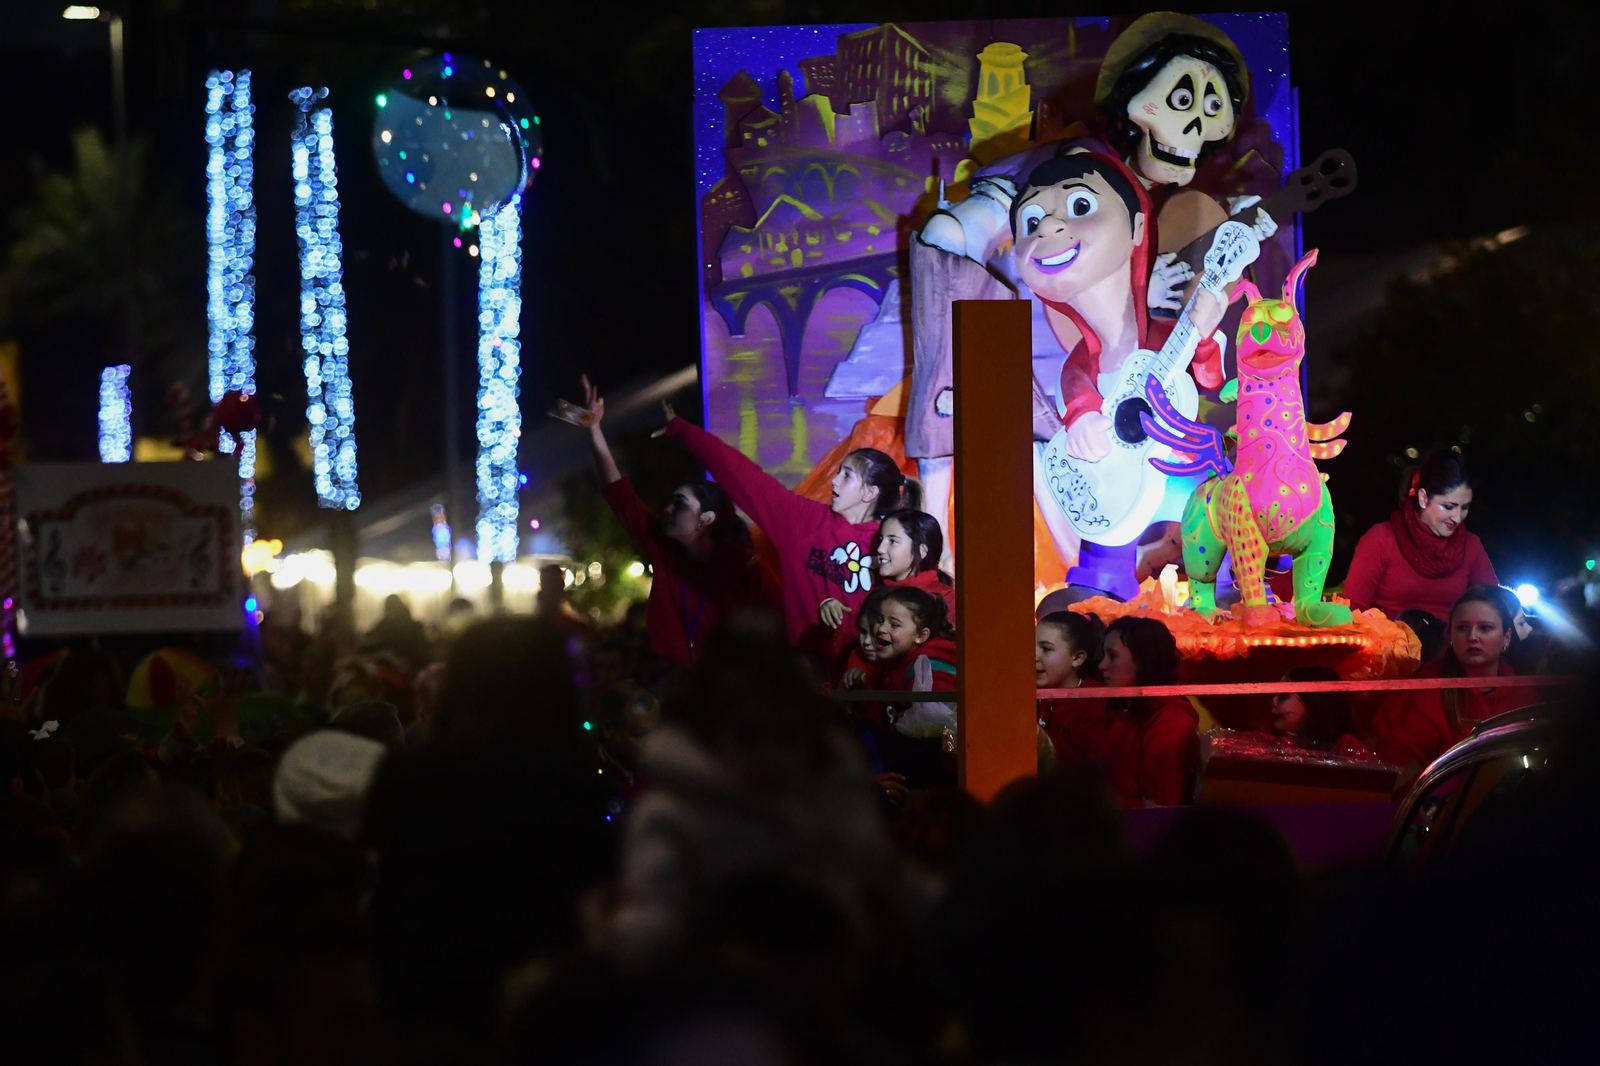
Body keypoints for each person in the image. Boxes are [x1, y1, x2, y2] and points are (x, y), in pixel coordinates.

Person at [656, 402, 917, 653]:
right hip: (808, 678)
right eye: (838, 473)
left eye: (846, 476)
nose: (834, 482)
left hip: (865, 682)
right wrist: (685, 432)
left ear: (870, 492)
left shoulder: (889, 544)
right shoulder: (801, 521)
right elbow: (743, 476)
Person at [577, 376, 780, 666]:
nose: (668, 509)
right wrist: (594, 428)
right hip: (674, 685)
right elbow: (620, 494)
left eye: (680, 504)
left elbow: (781, 623)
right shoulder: (662, 548)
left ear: (705, 520)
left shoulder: (746, 568)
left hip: (729, 689)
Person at [1371, 586, 1539, 771]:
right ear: (1450, 634)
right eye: (1462, 628)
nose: (1472, 637)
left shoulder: (1523, 692)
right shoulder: (1424, 691)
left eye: (1485, 628)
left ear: (1506, 637)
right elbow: (1402, 772)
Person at [1343, 449, 1498, 621]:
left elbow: (1496, 608)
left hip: (1451, 647)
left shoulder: (1471, 546)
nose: (1457, 517)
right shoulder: (1381, 539)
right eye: (1448, 507)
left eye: (1464, 508)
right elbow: (1351, 614)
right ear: (1423, 498)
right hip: (1387, 645)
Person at [1057, 616, 1197, 807]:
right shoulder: (1114, 707)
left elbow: (1160, 806)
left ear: (1144, 660)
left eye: (1113, 656)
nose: (1102, 665)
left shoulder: (1170, 722)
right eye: (1103, 655)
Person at [1033, 611, 1106, 760]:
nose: (1033, 656)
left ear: (1078, 658)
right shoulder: (1029, 694)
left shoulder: (1095, 702)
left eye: (1046, 649)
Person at [1268, 666, 1368, 753]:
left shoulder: (1347, 748)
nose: (1273, 700)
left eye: (1283, 696)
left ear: (1314, 701)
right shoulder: (1269, 740)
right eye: (1275, 694)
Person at [596, 683, 660, 820]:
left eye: (653, 735)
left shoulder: (655, 774)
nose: (650, 744)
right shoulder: (585, 780)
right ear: (608, 729)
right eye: (640, 735)